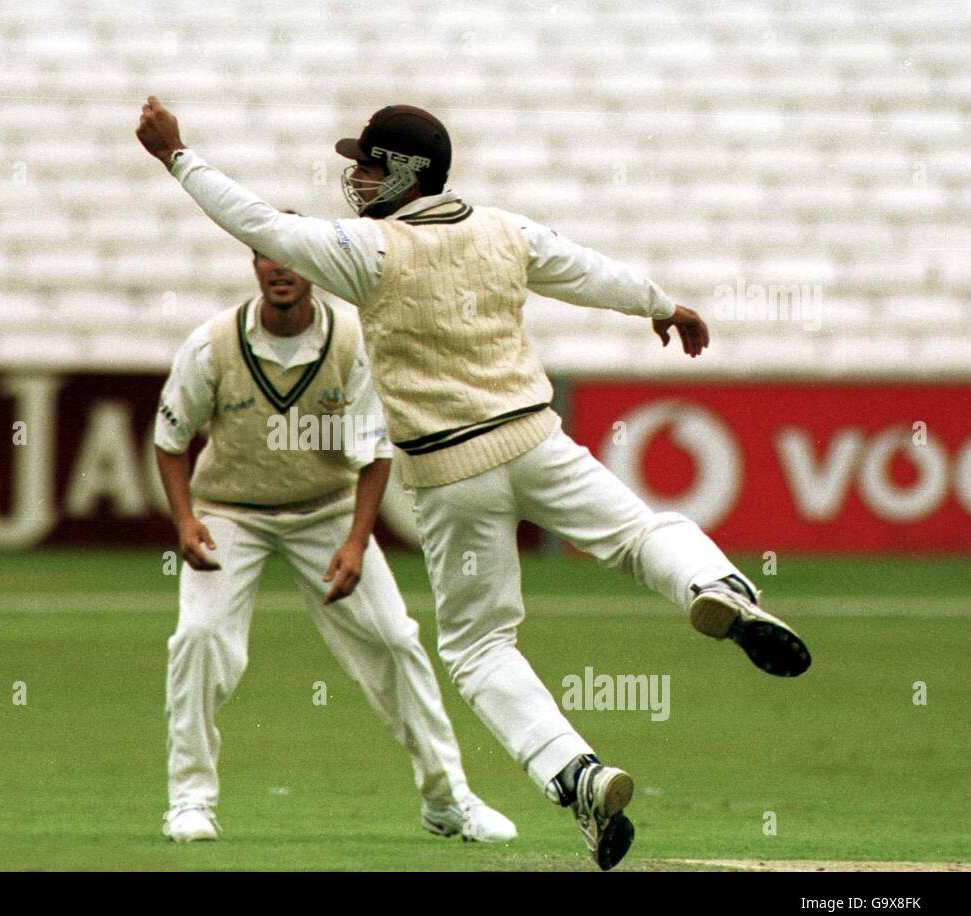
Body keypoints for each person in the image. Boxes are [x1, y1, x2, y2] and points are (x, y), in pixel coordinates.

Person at [136, 96, 812, 869]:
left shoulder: (368, 250)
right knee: (638, 533)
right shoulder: (505, 229)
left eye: (364, 162)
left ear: (400, 172)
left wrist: (178, 156)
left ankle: (575, 772)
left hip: (451, 472)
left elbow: (261, 224)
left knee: (480, 647)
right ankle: (713, 584)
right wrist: (660, 305)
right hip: (536, 437)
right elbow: (585, 269)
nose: (352, 176)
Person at [153, 234, 516, 844]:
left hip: (325, 510)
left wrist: (355, 540)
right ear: (255, 265)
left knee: (395, 640)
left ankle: (448, 798)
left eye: (292, 258)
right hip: (231, 511)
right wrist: (187, 521)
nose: (280, 269)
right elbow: (170, 441)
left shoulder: (353, 342)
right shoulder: (212, 343)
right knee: (199, 637)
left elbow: (375, 452)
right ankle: (189, 800)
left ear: (314, 269)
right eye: (268, 257)